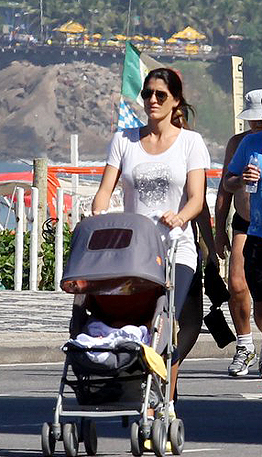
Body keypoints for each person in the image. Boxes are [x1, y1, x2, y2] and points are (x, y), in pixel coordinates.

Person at [92, 67, 210, 417]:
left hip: (176, 247)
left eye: (160, 95)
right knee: (140, 318)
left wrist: (181, 217)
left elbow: (196, 198)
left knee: (169, 319)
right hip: (134, 250)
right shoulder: (124, 140)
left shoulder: (191, 142)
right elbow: (104, 193)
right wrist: (97, 216)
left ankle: (163, 388)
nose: (152, 101)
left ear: (176, 101)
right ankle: (147, 383)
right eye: (147, 95)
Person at [214, 89, 262, 376]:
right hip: (243, 222)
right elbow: (225, 187)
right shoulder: (239, 143)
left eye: (260, 120)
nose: (255, 125)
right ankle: (244, 345)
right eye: (252, 120)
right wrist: (219, 231)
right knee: (236, 283)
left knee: (260, 295)